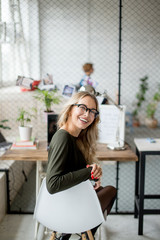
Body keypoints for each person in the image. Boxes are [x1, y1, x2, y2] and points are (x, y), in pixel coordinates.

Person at [46, 91, 117, 240]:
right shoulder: (63, 137)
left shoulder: (74, 138)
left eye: (92, 111)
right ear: (71, 108)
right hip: (65, 207)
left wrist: (91, 172)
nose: (87, 114)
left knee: (104, 190)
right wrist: (89, 173)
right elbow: (53, 184)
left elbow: (69, 169)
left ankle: (66, 236)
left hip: (70, 201)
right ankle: (79, 234)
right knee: (110, 191)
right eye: (83, 107)